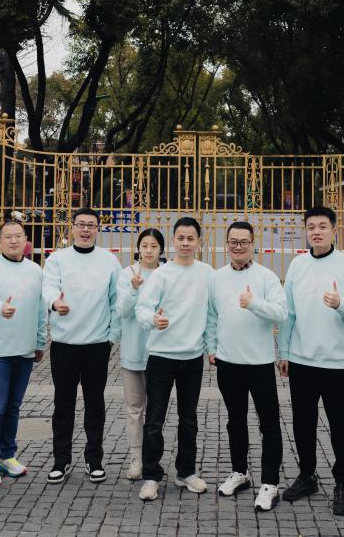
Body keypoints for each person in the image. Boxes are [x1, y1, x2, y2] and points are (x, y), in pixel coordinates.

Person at [278, 206, 344, 516]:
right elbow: (288, 313)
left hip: (335, 360)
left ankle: (343, 483)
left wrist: (341, 304)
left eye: (323, 226)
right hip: (301, 359)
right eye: (311, 226)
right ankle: (307, 475)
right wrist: (284, 352)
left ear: (334, 230)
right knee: (303, 422)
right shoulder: (298, 265)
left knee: (340, 424)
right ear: (306, 231)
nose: (316, 231)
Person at [206, 221, 287, 512]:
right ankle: (240, 472)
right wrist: (212, 348)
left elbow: (282, 313)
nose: (238, 246)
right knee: (235, 420)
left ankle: (270, 483)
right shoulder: (217, 277)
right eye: (233, 242)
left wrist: (254, 304)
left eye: (244, 242)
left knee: (269, 424)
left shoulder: (266, 277)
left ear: (253, 244)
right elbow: (211, 316)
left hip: (259, 362)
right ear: (227, 244)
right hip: (228, 362)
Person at [41, 207, 122, 485]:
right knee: (63, 405)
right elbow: (48, 288)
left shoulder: (109, 261)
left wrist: (112, 337)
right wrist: (55, 303)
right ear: (72, 227)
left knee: (95, 405)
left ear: (98, 229)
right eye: (81, 224)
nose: (86, 230)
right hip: (64, 344)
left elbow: (116, 301)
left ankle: (94, 460)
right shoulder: (57, 259)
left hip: (97, 345)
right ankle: (60, 460)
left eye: (91, 225)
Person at [134, 216, 213, 502]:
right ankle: (151, 475)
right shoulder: (161, 275)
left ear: (199, 242)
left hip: (192, 357)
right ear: (174, 240)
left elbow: (213, 314)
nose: (185, 243)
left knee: (188, 419)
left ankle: (186, 472)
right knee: (154, 419)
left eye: (191, 238)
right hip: (161, 357)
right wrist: (152, 320)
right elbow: (142, 308)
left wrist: (212, 347)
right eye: (181, 238)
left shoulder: (207, 274)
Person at [0, 220, 47, 487]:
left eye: (18, 236)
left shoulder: (35, 270)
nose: (13, 241)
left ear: (26, 239)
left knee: (14, 406)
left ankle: (7, 455)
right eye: (8, 236)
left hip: (24, 349)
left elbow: (41, 308)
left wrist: (39, 341)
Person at [117, 227, 165, 480]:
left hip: (160, 352)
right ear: (138, 248)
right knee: (135, 408)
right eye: (144, 246)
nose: (148, 251)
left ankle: (151, 459)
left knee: (156, 411)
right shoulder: (127, 274)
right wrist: (134, 290)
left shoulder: (166, 273)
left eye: (154, 246)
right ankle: (136, 457)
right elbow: (123, 311)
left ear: (161, 249)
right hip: (134, 350)